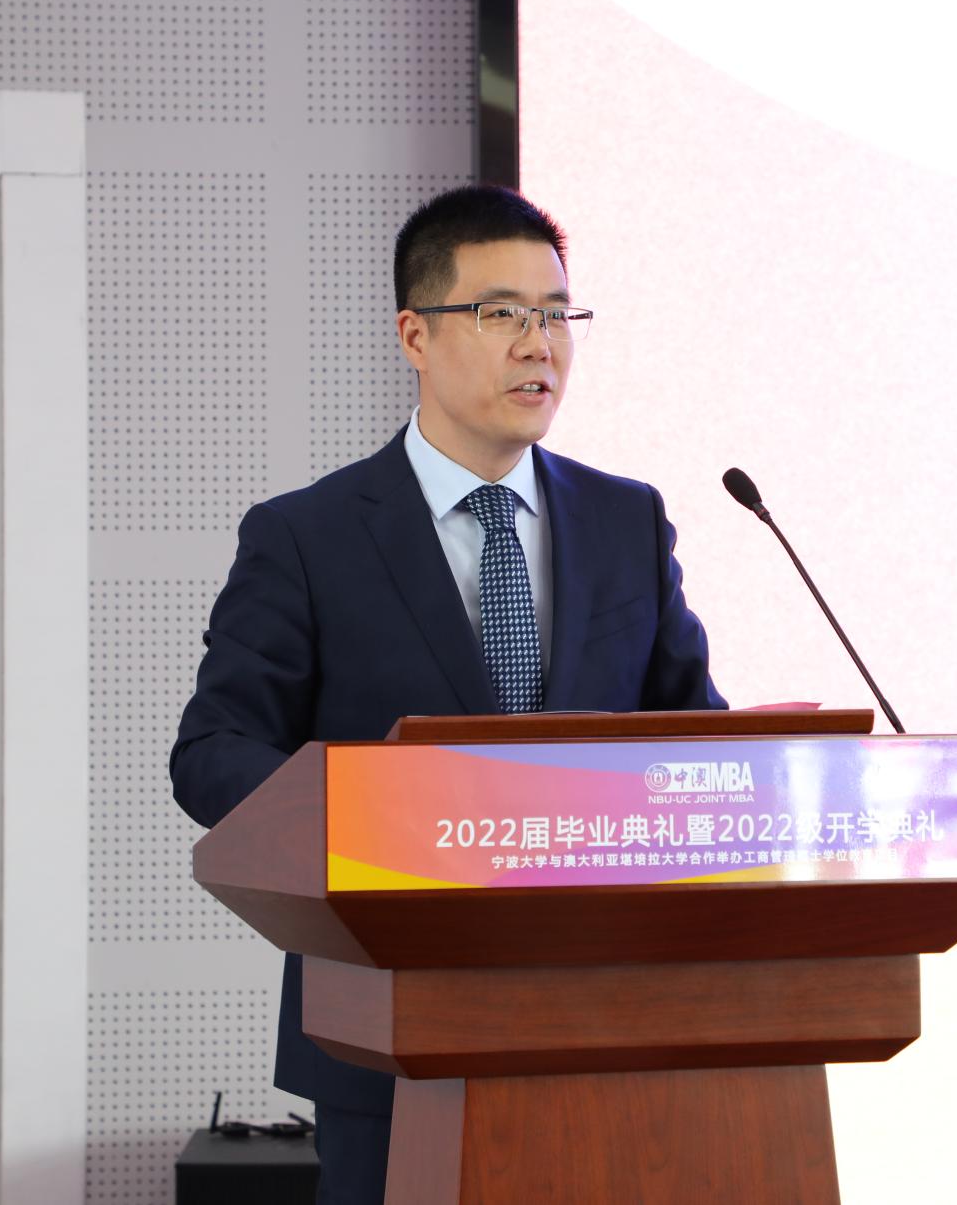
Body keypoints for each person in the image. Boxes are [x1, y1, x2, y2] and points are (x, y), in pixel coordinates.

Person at [169, 184, 727, 1203]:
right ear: (415, 335)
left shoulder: (627, 522)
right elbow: (213, 751)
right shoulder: (307, 537)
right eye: (501, 312)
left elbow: (700, 741)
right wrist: (376, 817)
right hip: (387, 1036)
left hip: (612, 1031)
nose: (539, 344)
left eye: (556, 314)